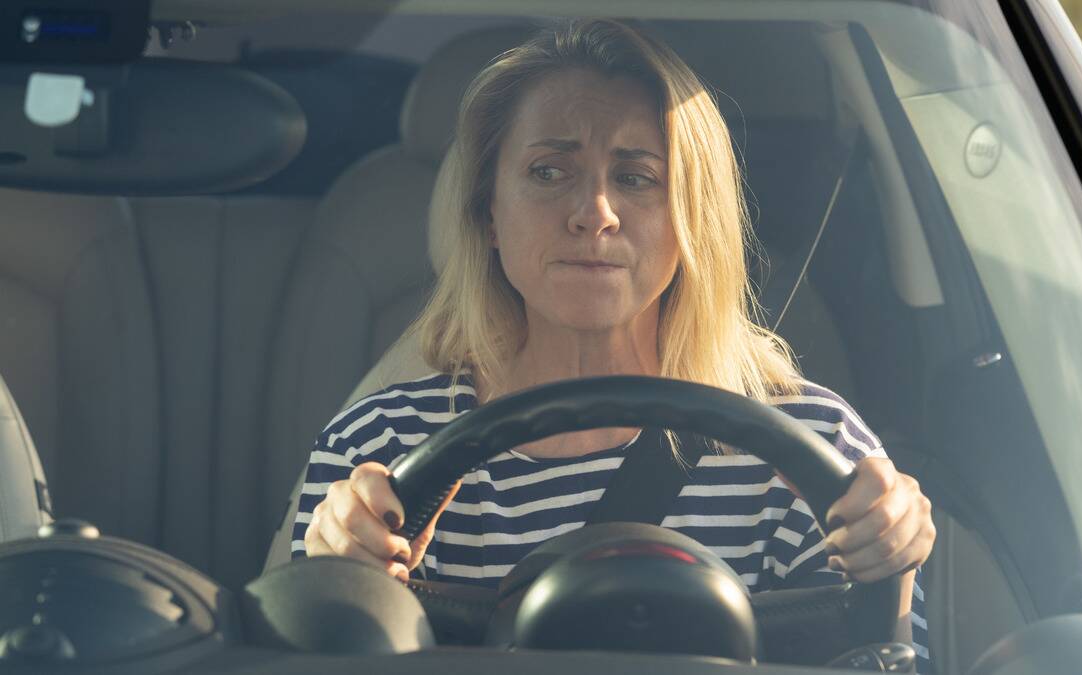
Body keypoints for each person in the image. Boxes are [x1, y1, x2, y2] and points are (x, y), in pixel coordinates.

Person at [294, 18, 936, 669]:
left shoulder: (812, 446)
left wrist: (891, 565)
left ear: (691, 218)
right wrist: (342, 585)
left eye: (636, 178)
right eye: (548, 172)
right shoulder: (379, 450)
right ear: (489, 212)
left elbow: (881, 660)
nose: (594, 211)